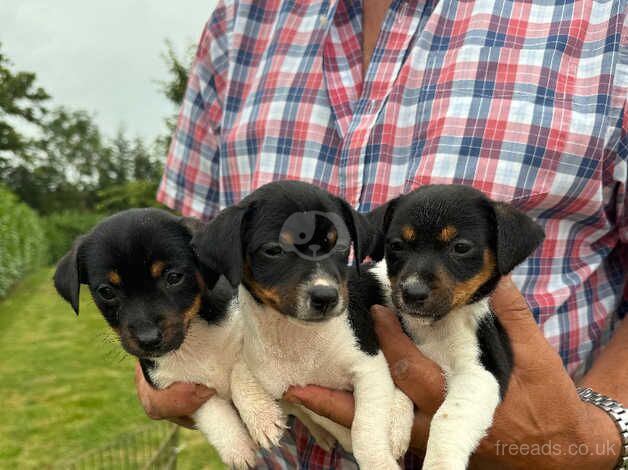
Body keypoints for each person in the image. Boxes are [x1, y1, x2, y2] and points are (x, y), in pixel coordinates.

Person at [138, 0, 628, 468]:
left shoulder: (609, 18)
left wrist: (602, 430)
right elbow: (185, 253)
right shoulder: (236, 23)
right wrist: (159, 342)